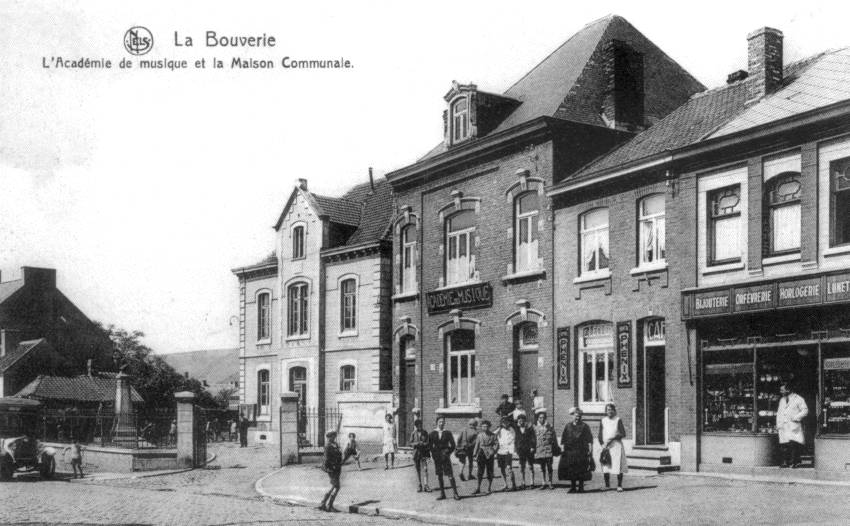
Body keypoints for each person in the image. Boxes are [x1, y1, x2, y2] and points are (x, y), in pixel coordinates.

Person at [558, 407, 593, 493]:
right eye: (576, 416)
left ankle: (581, 487)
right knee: (571, 469)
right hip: (570, 451)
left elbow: (590, 440)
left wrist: (591, 451)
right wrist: (562, 449)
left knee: (581, 469)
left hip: (581, 451)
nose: (577, 418)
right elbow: (563, 439)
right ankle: (573, 487)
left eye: (579, 416)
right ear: (572, 416)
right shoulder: (568, 426)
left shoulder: (585, 426)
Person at [777, 382, 809, 468]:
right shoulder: (782, 400)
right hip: (783, 426)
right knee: (784, 445)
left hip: (793, 425)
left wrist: (795, 417)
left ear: (788, 390)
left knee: (793, 444)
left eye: (782, 390)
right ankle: (785, 462)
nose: (781, 391)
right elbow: (779, 413)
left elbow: (805, 411)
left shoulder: (798, 399)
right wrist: (779, 424)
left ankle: (794, 462)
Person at [429, 416, 460, 501]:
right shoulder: (432, 433)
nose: (442, 423)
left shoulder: (448, 433)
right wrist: (434, 455)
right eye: (440, 422)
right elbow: (430, 446)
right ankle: (442, 494)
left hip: (445, 457)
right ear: (437, 422)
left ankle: (455, 493)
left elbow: (453, 445)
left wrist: (448, 452)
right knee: (439, 475)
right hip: (437, 457)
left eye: (443, 422)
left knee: (450, 474)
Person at [598, 403, 627, 492]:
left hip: (616, 446)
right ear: (606, 411)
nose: (609, 411)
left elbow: (623, 434)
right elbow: (600, 434)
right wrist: (602, 443)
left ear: (614, 410)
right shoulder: (603, 420)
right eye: (608, 410)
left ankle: (619, 485)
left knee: (618, 465)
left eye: (611, 409)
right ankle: (607, 485)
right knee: (606, 465)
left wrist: (614, 437)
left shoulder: (618, 420)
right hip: (606, 446)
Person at [318, 431, 342, 512]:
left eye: (335, 435)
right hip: (332, 468)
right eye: (333, 436)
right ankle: (327, 504)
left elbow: (339, 454)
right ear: (329, 436)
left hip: (337, 467)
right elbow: (327, 459)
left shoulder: (335, 444)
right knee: (335, 486)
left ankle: (324, 504)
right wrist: (331, 467)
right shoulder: (328, 445)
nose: (334, 437)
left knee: (335, 486)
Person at [472, 419, 498, 494]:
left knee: (489, 471)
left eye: (486, 426)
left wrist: (493, 451)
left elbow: (496, 444)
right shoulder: (479, 435)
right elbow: (476, 445)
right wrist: (474, 454)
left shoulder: (493, 435)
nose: (485, 428)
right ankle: (478, 487)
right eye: (483, 427)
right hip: (481, 453)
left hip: (490, 453)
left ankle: (489, 488)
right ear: (481, 427)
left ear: (489, 427)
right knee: (480, 471)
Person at [533, 408, 556, 490]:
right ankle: (543, 482)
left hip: (548, 449)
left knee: (549, 466)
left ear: (545, 418)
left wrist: (555, 448)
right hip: (540, 449)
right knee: (542, 467)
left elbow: (554, 438)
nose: (541, 419)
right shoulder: (535, 427)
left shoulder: (550, 426)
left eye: (543, 417)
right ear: (537, 418)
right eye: (540, 418)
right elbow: (533, 439)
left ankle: (550, 482)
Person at [515, 413, 536, 489]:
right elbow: (516, 440)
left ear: (524, 421)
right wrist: (516, 449)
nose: (521, 422)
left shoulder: (529, 428)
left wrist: (532, 447)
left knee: (530, 466)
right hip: (521, 450)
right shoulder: (517, 429)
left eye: (522, 420)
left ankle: (532, 483)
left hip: (529, 449)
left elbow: (533, 438)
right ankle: (523, 483)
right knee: (522, 467)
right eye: (519, 420)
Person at [410, 419, 431, 492]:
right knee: (417, 470)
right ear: (416, 426)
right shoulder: (413, 433)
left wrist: (423, 444)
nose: (419, 427)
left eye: (420, 425)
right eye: (417, 425)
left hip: (424, 453)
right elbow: (410, 443)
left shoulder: (425, 433)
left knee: (425, 469)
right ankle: (419, 485)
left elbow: (428, 442)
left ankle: (426, 485)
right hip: (416, 454)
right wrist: (416, 443)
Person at [496, 417, 517, 491]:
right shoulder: (499, 429)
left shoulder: (511, 429)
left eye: (506, 422)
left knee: (509, 468)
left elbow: (513, 440)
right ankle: (505, 484)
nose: (505, 423)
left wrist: (511, 451)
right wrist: (499, 428)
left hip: (508, 451)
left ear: (508, 422)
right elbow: (493, 435)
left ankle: (513, 485)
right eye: (503, 422)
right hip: (500, 451)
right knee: (502, 468)